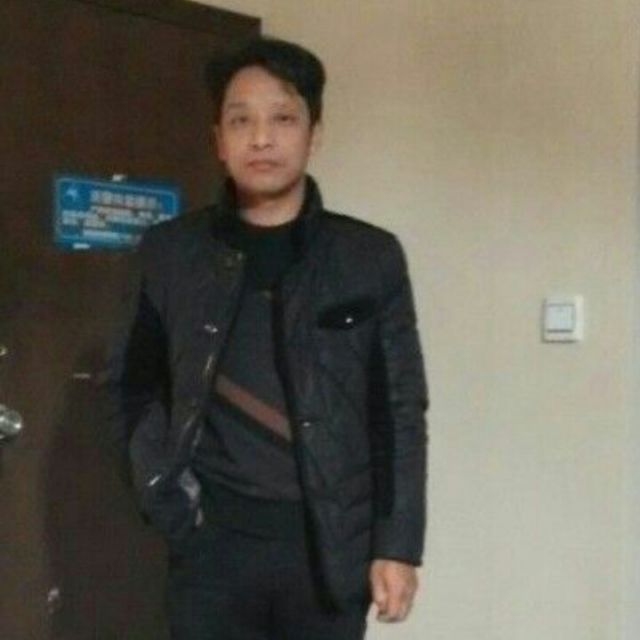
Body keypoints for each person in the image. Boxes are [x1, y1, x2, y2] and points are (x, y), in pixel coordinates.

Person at [107, 36, 428, 640]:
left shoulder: (369, 258)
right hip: (211, 547)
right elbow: (134, 386)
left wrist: (398, 544)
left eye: (283, 118)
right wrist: (163, 499)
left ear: (314, 133)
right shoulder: (169, 253)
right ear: (218, 140)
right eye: (241, 121)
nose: (261, 138)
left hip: (329, 549)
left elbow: (400, 411)